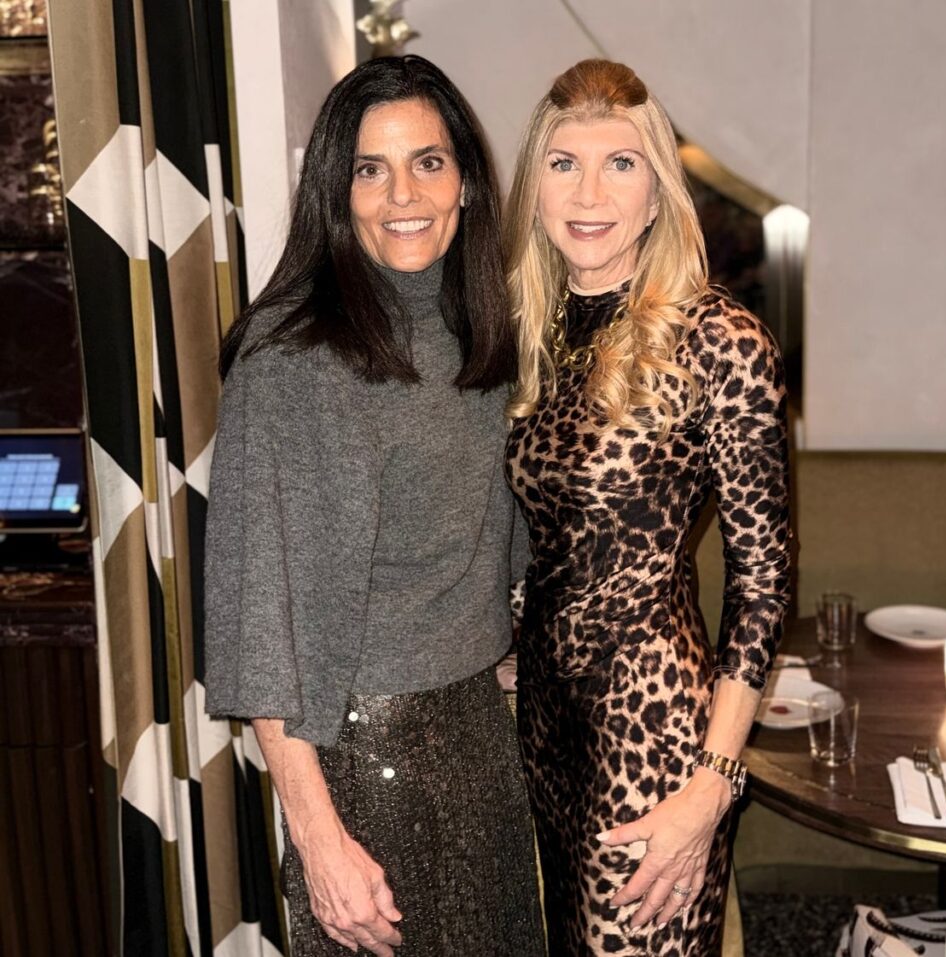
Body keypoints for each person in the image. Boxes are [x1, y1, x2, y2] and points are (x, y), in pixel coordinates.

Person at [204, 55, 545, 957]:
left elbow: (491, 532)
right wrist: (318, 838)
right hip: (360, 760)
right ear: (336, 190)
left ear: (466, 180)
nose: (404, 195)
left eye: (428, 162)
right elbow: (260, 620)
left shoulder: (481, 330)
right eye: (370, 169)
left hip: (478, 736)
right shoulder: (291, 359)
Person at [503, 59, 792, 956]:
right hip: (543, 729)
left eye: (620, 164)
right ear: (534, 187)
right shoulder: (530, 333)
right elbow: (541, 536)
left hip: (654, 737)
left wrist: (714, 781)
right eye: (564, 164)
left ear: (658, 189)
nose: (589, 193)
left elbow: (764, 582)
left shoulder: (721, 341)